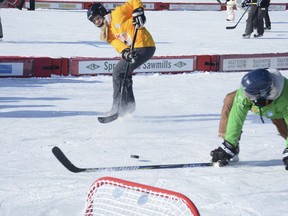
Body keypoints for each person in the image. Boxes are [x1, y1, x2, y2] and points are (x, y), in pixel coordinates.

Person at [87, 0, 155, 116]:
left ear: (102, 13)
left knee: (118, 72)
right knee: (123, 74)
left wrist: (139, 13)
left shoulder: (118, 13)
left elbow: (135, 1)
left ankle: (117, 106)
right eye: (94, 21)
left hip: (144, 45)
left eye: (97, 18)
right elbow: (117, 44)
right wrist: (125, 52)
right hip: (135, 50)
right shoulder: (108, 33)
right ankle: (128, 106)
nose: (97, 22)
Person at [210, 68, 288, 170]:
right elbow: (236, 117)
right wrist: (229, 144)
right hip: (264, 105)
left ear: (265, 93)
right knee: (230, 99)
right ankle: (231, 145)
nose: (247, 98)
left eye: (250, 96)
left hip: (280, 112)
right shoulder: (245, 94)